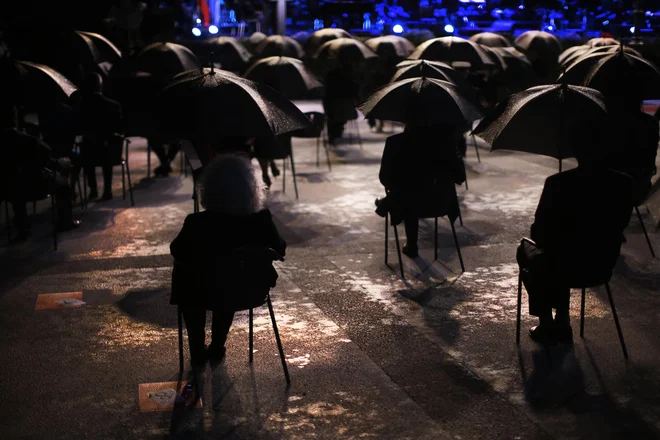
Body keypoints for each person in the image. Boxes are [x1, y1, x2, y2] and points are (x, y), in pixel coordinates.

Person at [516, 134, 635, 345]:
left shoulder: (557, 183)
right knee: (561, 254)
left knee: (532, 252)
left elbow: (539, 234)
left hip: (561, 266)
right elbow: (620, 224)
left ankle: (548, 321)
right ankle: (561, 320)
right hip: (600, 264)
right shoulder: (624, 184)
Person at [170, 153, 286, 367]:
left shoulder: (196, 222)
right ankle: (217, 345)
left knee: (187, 273)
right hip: (248, 291)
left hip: (202, 292)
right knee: (230, 278)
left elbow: (177, 251)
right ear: (252, 188)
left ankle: (197, 348)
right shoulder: (261, 220)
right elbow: (280, 249)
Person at [375, 124, 466, 257]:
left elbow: (385, 179)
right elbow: (460, 177)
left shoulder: (395, 142)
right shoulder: (447, 142)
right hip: (441, 204)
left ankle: (411, 244)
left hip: (406, 205)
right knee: (412, 194)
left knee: (408, 195)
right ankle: (386, 203)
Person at [1, 105, 79, 240]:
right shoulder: (28, 139)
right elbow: (48, 159)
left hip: (7, 189)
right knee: (63, 185)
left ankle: (22, 229)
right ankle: (65, 222)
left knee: (15, 187)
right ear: (15, 120)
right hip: (36, 187)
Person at [74, 73, 123, 201]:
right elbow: (120, 129)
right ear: (100, 86)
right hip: (110, 153)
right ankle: (107, 190)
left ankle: (93, 189)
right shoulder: (114, 106)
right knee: (107, 151)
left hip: (89, 152)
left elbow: (79, 129)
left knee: (85, 150)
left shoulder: (82, 106)